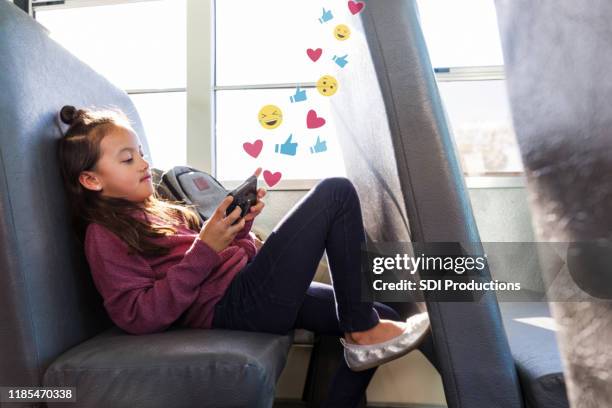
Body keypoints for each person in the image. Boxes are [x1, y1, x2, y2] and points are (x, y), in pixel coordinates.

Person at [57, 105, 430, 407]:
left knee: (386, 316)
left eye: (140, 153)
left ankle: (354, 357)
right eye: (126, 159)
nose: (142, 164)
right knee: (335, 194)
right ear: (91, 180)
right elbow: (138, 316)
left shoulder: (164, 212)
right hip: (234, 305)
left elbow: (226, 259)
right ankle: (362, 330)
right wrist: (206, 248)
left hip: (246, 286)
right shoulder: (103, 235)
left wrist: (243, 231)